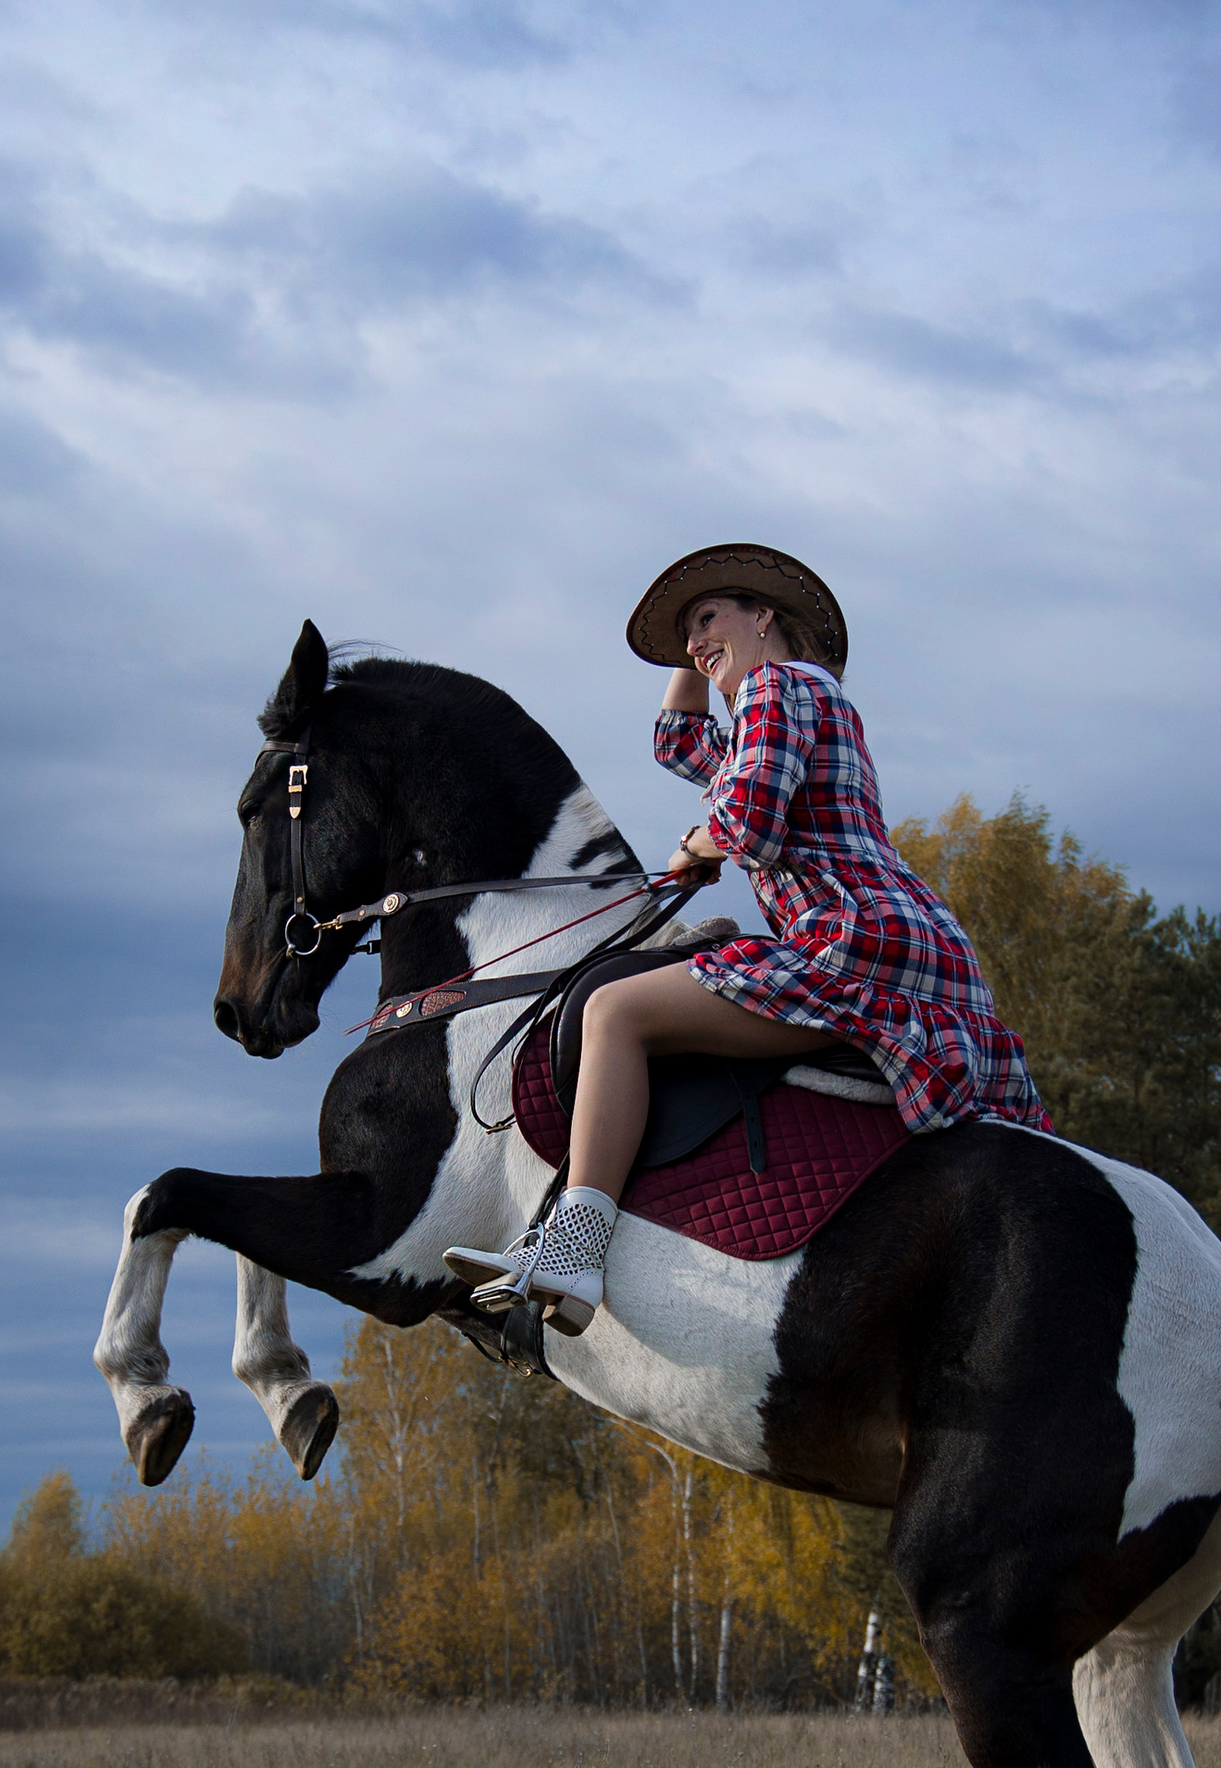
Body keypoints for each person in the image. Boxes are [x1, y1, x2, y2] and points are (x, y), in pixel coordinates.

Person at [445, 541, 1051, 1334]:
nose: (695, 644)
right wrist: (687, 642)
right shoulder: (791, 701)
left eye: (710, 620)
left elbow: (748, 821)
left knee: (614, 1014)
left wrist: (694, 848)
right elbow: (675, 742)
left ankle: (573, 1250)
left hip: (852, 936)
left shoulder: (778, 685)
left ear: (765, 617)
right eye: (687, 636)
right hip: (909, 944)